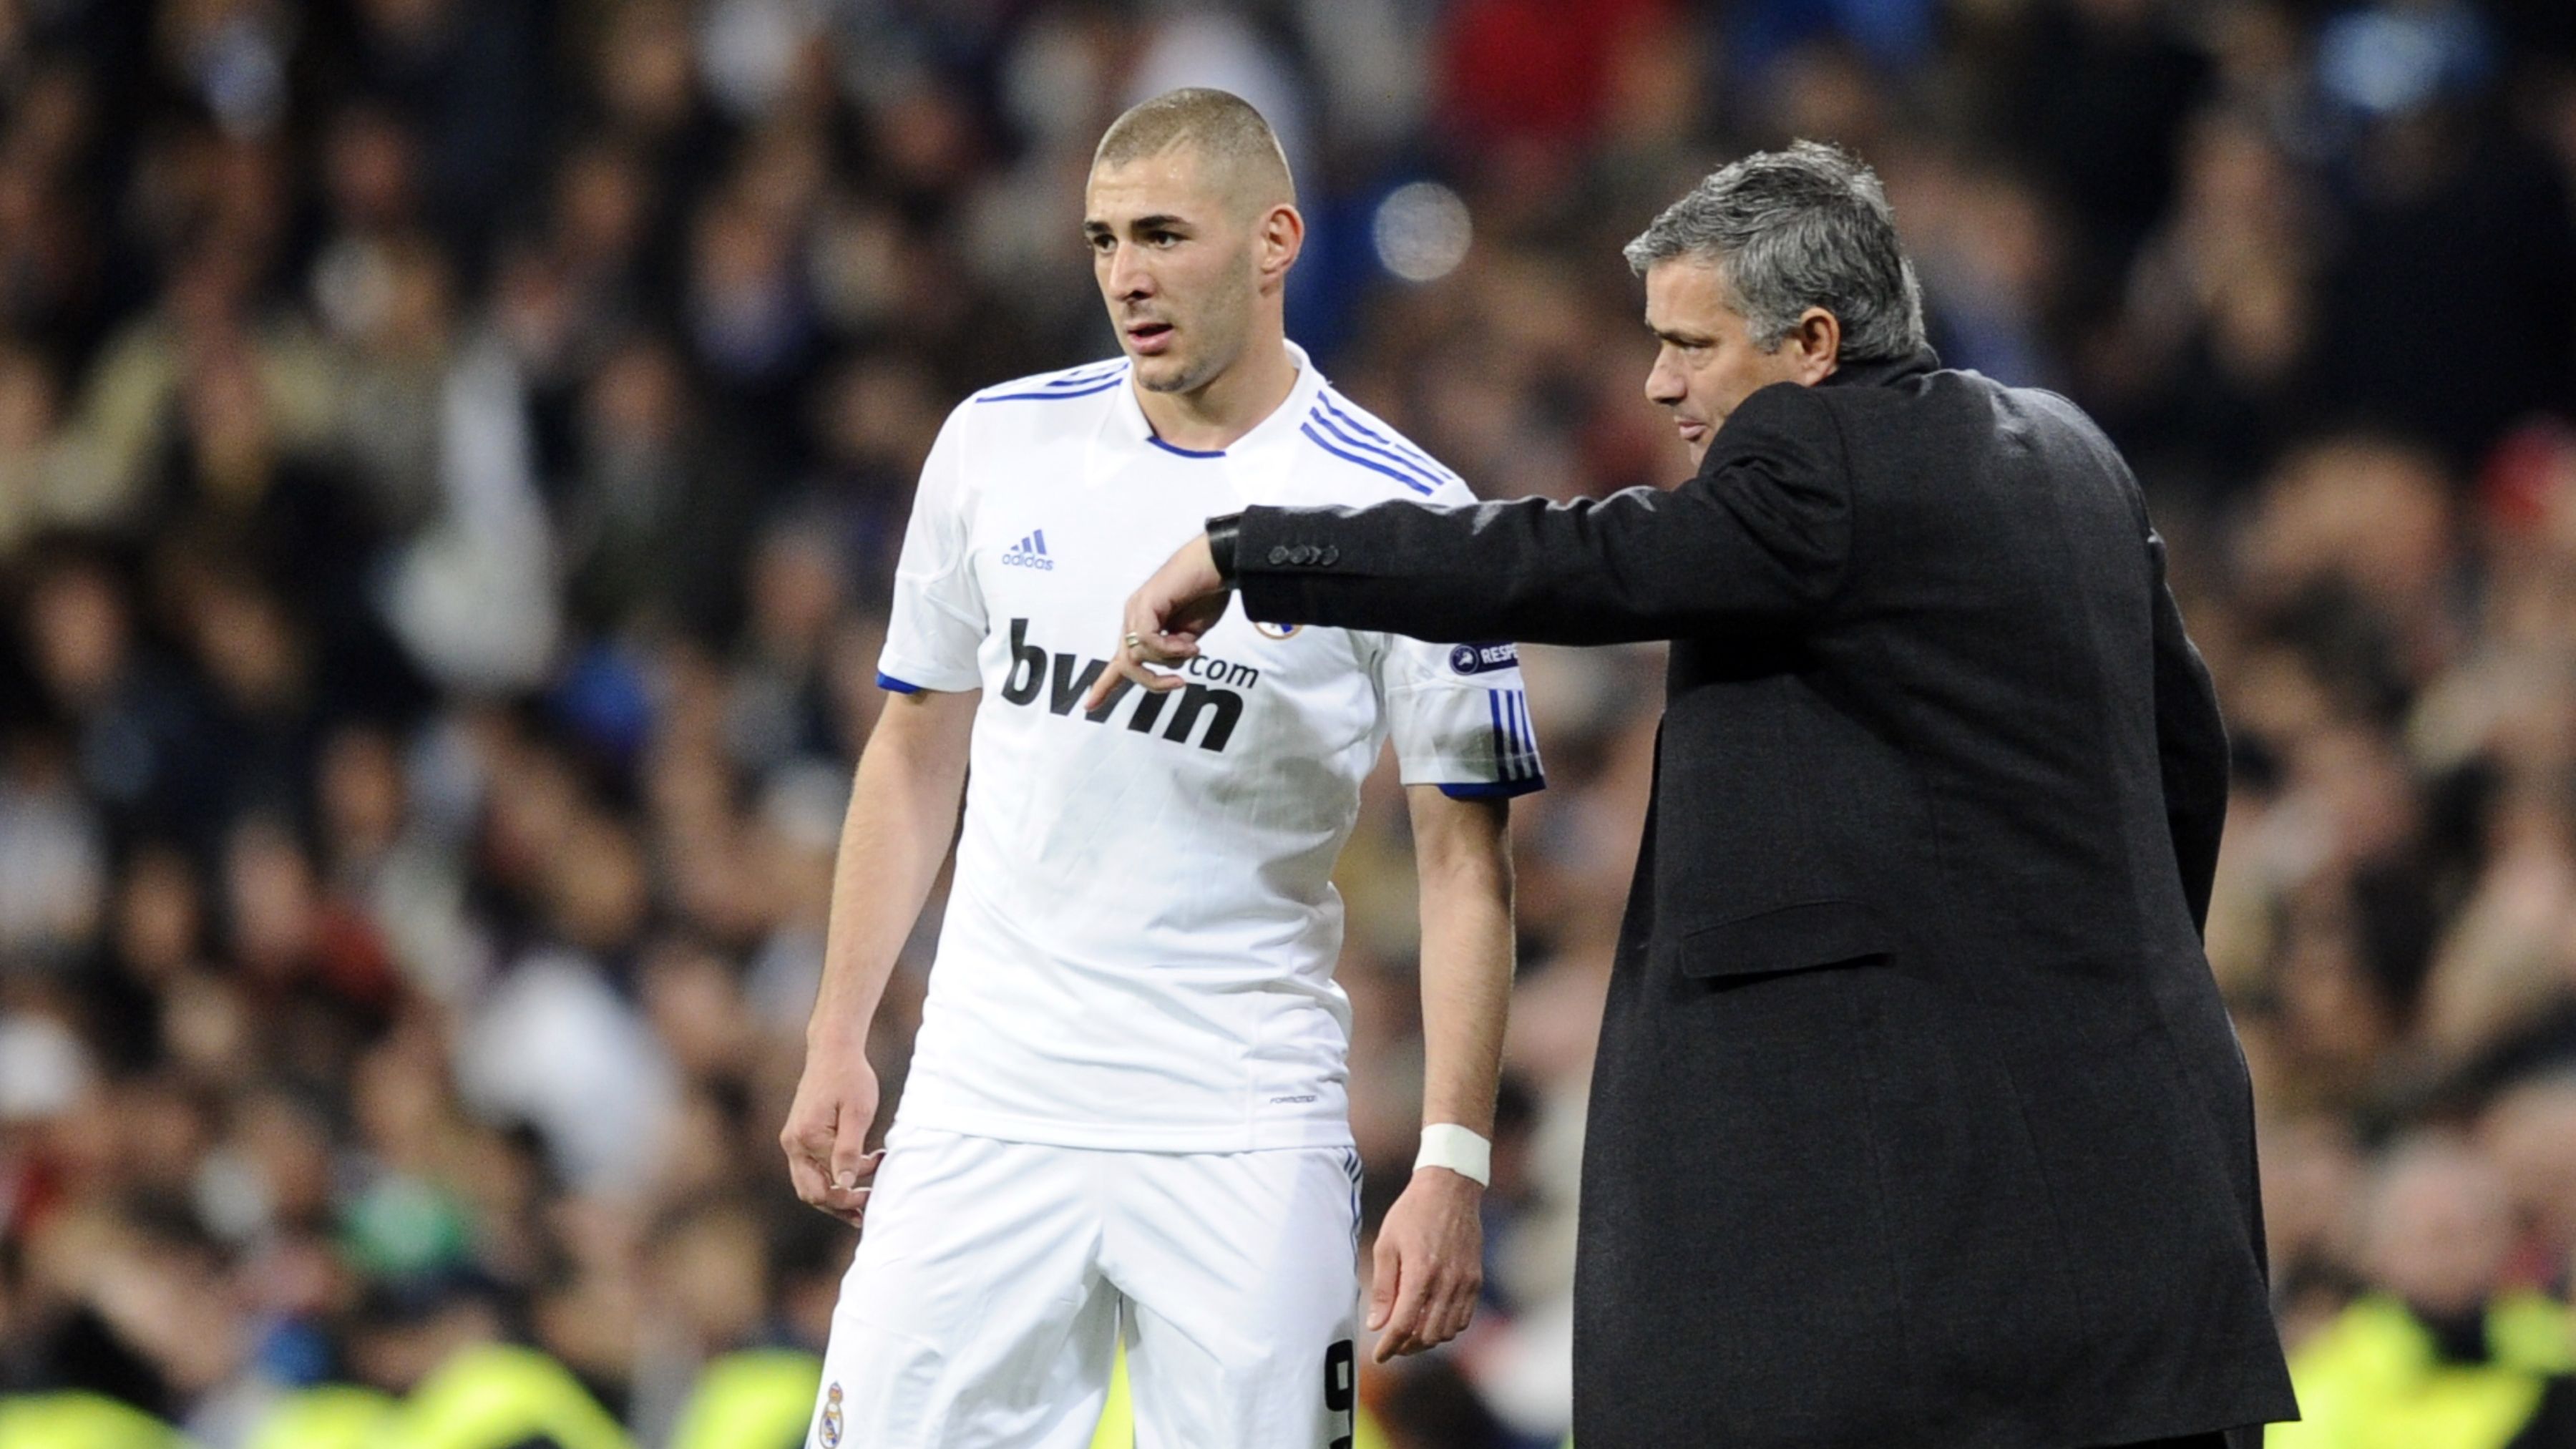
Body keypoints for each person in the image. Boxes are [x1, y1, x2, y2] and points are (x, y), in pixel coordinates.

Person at [1093, 142, 2300, 1449]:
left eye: (1691, 344)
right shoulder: (2071, 452)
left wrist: (1253, 546)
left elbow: (1570, 562)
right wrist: (2103, 973)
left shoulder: (1815, 455)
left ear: (1815, 344)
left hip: (1915, 1248)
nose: (1660, 381)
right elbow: (2190, 755)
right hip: (2146, 1185)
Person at [778, 88, 1538, 1448]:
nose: (1127, 274)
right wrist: (842, 1027)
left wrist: (1451, 1161)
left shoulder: (1410, 515)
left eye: (1166, 235)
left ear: (1274, 240)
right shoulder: (997, 444)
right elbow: (912, 749)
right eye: (1104, 239)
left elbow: (1463, 861)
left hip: (1239, 1116)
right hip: (985, 1095)